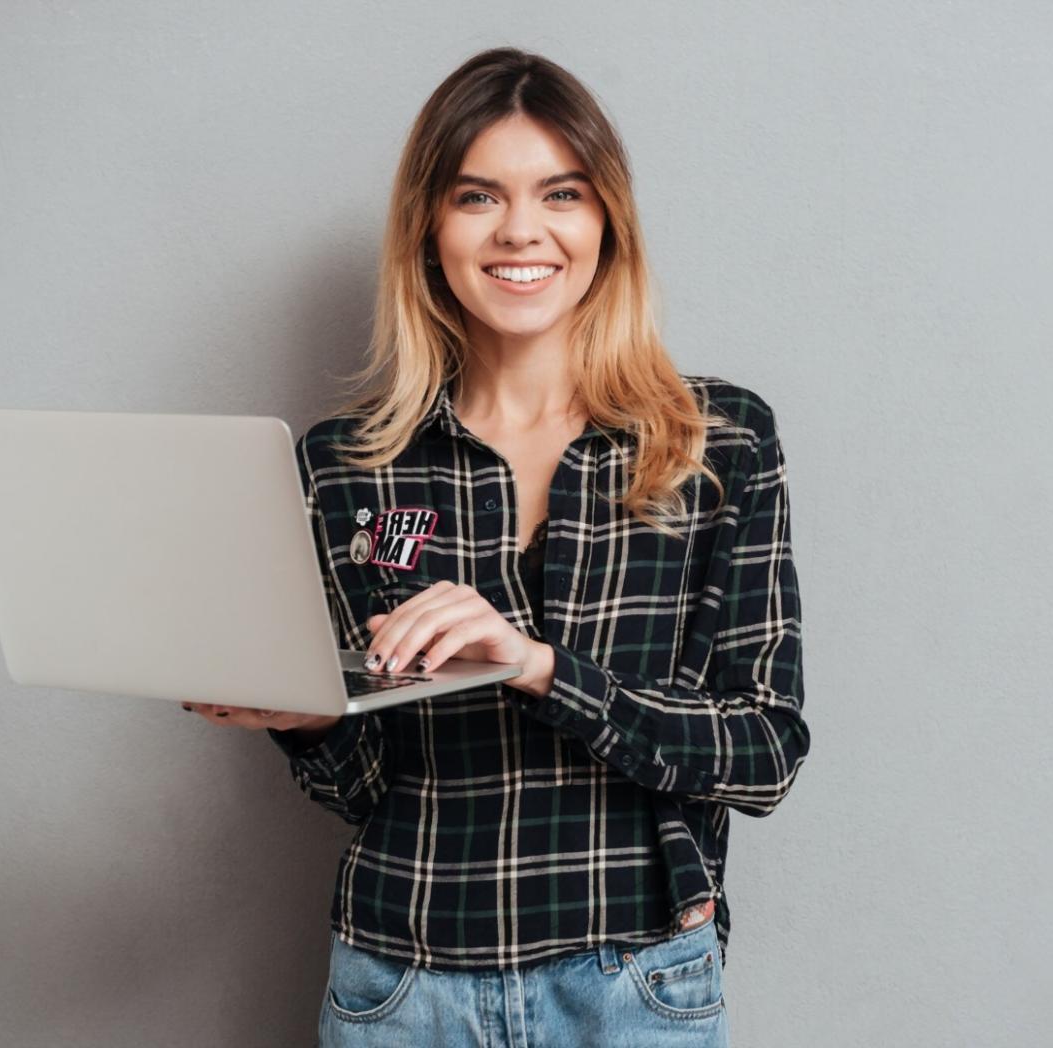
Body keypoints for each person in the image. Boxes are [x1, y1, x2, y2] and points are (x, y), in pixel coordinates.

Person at [185, 46, 809, 1048]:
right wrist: (308, 718)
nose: (521, 230)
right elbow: (362, 789)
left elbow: (764, 752)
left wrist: (536, 666)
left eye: (561, 194)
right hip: (400, 986)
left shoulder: (715, 441)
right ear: (429, 229)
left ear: (607, 222)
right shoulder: (347, 465)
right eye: (478, 197)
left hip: (633, 981)